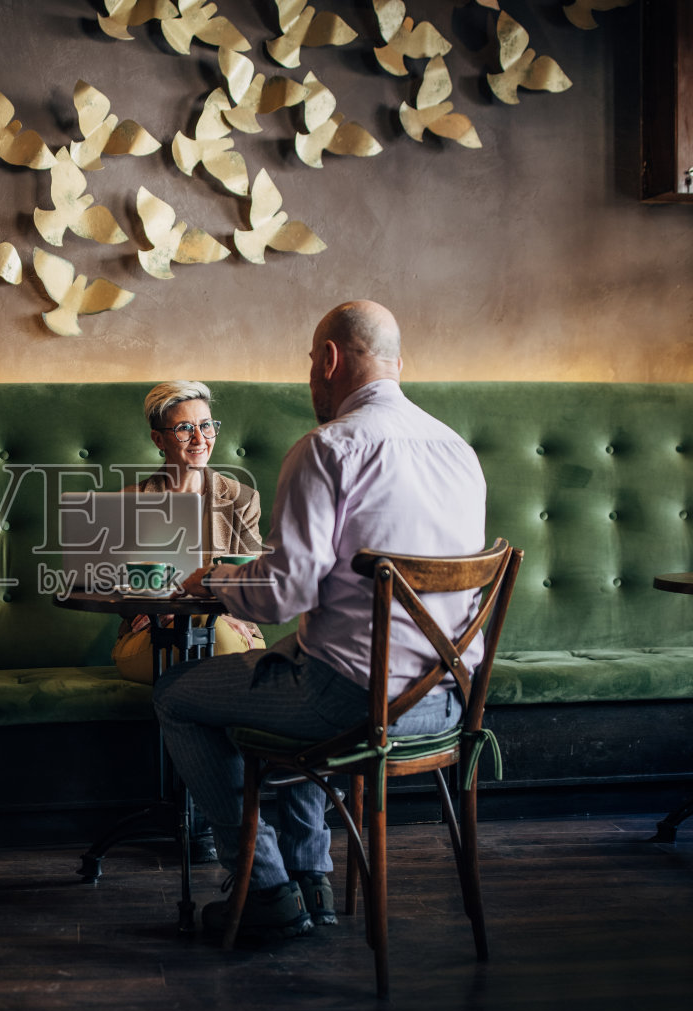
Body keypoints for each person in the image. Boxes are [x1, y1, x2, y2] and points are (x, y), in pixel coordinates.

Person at [152, 300, 487, 939]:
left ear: (329, 359)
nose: (311, 377)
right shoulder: (458, 451)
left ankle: (264, 888)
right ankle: (312, 877)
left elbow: (283, 594)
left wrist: (216, 580)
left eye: (311, 362)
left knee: (176, 694)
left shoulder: (328, 448)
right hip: (447, 705)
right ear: (397, 362)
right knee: (301, 663)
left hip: (351, 702)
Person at [111, 381, 264, 685]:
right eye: (184, 428)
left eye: (206, 426)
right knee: (218, 646)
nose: (199, 438)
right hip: (155, 636)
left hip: (232, 630)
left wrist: (212, 614)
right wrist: (162, 607)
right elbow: (116, 585)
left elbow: (254, 583)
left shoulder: (243, 499)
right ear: (158, 439)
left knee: (216, 635)